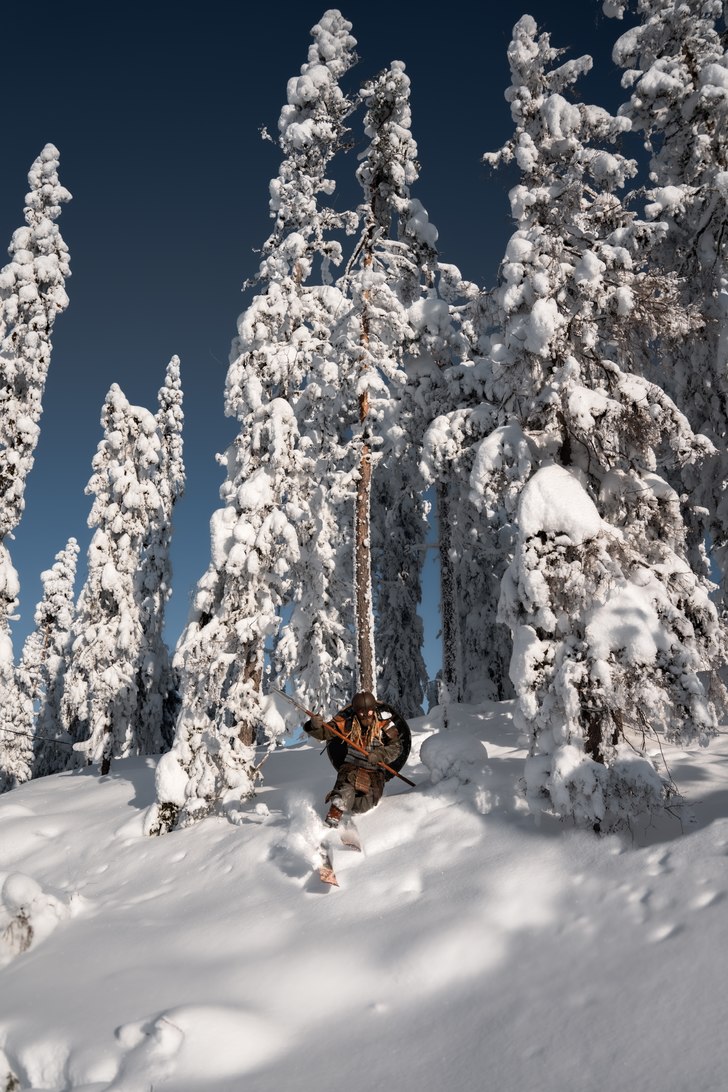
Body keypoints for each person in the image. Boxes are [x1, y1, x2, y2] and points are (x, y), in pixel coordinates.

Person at [303, 690, 407, 827]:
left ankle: (348, 808)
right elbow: (326, 732)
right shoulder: (347, 723)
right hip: (351, 767)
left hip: (374, 773)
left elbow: (396, 748)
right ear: (356, 712)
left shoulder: (385, 725)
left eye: (369, 712)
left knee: (364, 805)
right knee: (347, 786)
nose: (366, 716)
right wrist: (315, 726)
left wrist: (379, 754)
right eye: (362, 713)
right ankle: (334, 814)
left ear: (373, 710)